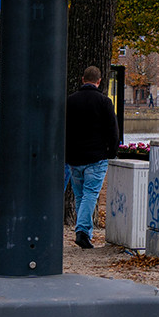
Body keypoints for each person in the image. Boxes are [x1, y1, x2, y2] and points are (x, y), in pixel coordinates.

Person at [65, 65, 118, 249]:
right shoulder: (104, 102)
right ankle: (81, 231)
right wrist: (111, 152)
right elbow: (113, 130)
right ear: (99, 81)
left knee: (80, 195)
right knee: (90, 194)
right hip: (96, 156)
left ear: (83, 79)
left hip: (74, 157)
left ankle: (85, 234)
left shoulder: (70, 101)